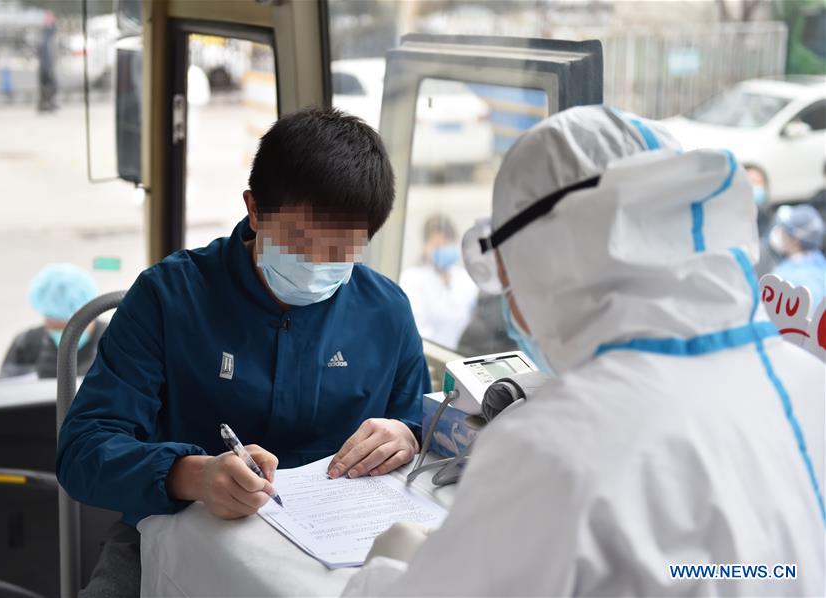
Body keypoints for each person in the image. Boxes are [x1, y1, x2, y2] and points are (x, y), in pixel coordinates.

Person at [344, 106, 825, 596]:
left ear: (547, 258)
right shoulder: (808, 383)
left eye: (504, 270)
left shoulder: (552, 443)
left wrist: (385, 573)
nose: (508, 297)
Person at [57, 108, 430, 597]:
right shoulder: (169, 298)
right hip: (182, 526)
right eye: (300, 242)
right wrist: (190, 474)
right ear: (255, 210)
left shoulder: (386, 311)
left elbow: (425, 426)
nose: (318, 263)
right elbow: (83, 451)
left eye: (341, 252)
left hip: (338, 548)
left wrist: (408, 433)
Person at [0, 263, 104, 380]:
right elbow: (4, 391)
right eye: (58, 328)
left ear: (92, 312)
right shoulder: (27, 344)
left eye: (77, 327)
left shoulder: (115, 340)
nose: (68, 336)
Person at [399, 214, 478, 349]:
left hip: (462, 352)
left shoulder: (465, 278)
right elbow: (417, 330)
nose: (443, 249)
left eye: (447, 243)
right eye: (437, 245)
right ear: (425, 247)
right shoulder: (412, 278)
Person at [769, 203, 826, 308]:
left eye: (784, 232)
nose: (780, 235)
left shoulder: (782, 278)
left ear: (795, 240)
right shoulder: (822, 267)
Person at [37, 11, 58, 113]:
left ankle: (46, 103)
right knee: (49, 85)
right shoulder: (47, 36)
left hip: (46, 65)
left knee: (49, 85)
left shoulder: (47, 35)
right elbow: (45, 52)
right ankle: (45, 104)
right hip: (46, 65)